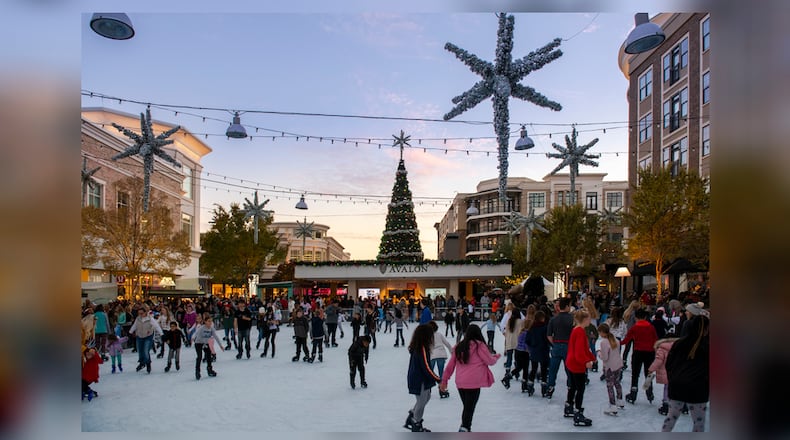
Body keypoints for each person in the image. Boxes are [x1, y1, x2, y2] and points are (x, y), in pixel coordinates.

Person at [439, 324, 501, 432]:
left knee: (467, 408)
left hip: (461, 384)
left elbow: (450, 366)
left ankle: (466, 428)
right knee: (469, 409)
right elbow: (490, 361)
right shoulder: (479, 346)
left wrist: (444, 380)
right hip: (474, 384)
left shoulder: (459, 347)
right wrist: (496, 357)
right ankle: (464, 429)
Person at [662, 314, 709, 432]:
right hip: (698, 389)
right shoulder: (707, 346)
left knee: (671, 418)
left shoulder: (679, 343)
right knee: (698, 422)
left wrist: (673, 378)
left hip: (677, 386)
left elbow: (669, 364)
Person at [404, 324, 441, 432]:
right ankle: (416, 423)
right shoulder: (422, 349)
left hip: (420, 378)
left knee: (426, 397)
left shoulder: (420, 347)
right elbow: (426, 367)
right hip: (419, 379)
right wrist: (438, 379)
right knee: (421, 402)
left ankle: (412, 416)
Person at [564, 310, 596, 426]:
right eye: (589, 318)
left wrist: (592, 357)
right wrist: (586, 361)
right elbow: (579, 352)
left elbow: (583, 349)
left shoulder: (576, 330)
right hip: (577, 364)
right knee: (580, 389)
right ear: (584, 319)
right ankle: (578, 413)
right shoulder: (580, 332)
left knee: (573, 386)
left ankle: (568, 407)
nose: (590, 320)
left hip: (571, 362)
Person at [621, 308, 658, 404]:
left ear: (636, 318)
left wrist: (617, 342)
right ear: (645, 317)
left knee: (635, 373)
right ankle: (649, 390)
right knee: (648, 373)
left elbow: (626, 340)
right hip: (650, 352)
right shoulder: (651, 327)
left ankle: (633, 393)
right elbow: (655, 340)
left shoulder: (634, 328)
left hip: (638, 352)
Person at [545, 297, 574, 399]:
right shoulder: (572, 319)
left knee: (553, 369)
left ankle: (550, 386)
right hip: (568, 346)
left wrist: (554, 343)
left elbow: (549, 335)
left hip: (557, 345)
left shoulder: (553, 319)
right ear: (566, 306)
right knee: (569, 369)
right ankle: (570, 387)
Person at [596, 323, 624, 416]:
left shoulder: (604, 342)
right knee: (617, 383)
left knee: (610, 386)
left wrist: (599, 353)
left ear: (602, 332)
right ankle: (620, 400)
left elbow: (605, 357)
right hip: (618, 365)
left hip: (609, 367)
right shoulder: (616, 340)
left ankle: (612, 406)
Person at [648, 334, 679, 416]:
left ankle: (666, 404)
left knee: (667, 387)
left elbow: (658, 360)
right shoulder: (681, 347)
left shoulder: (662, 348)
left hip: (667, 371)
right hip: (678, 371)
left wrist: (651, 369)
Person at [128, 305, 163, 374]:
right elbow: (134, 326)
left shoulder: (150, 319)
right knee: (140, 351)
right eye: (139, 313)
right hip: (139, 336)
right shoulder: (138, 319)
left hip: (148, 337)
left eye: (141, 313)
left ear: (145, 312)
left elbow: (156, 326)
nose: (140, 315)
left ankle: (148, 363)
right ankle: (142, 363)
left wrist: (161, 334)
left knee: (146, 351)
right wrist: (130, 332)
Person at [191, 314, 225, 380]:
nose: (210, 323)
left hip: (205, 343)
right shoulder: (201, 328)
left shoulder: (211, 329)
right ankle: (197, 371)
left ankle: (210, 370)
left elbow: (216, 337)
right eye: (209, 321)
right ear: (205, 322)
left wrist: (220, 345)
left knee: (209, 356)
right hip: (198, 343)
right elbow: (196, 333)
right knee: (199, 356)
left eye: (211, 321)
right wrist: (193, 338)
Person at [427, 321, 454, 398]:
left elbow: (426, 347)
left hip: (432, 355)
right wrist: (452, 352)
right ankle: (442, 388)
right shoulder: (439, 335)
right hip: (441, 355)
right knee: (441, 372)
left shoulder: (428, 336)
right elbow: (447, 343)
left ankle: (428, 388)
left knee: (430, 372)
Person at [500, 306, 523, 389]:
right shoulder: (520, 322)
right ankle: (516, 372)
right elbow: (521, 332)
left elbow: (506, 330)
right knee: (517, 358)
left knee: (509, 358)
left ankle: (507, 370)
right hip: (517, 342)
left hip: (509, 341)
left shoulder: (509, 321)